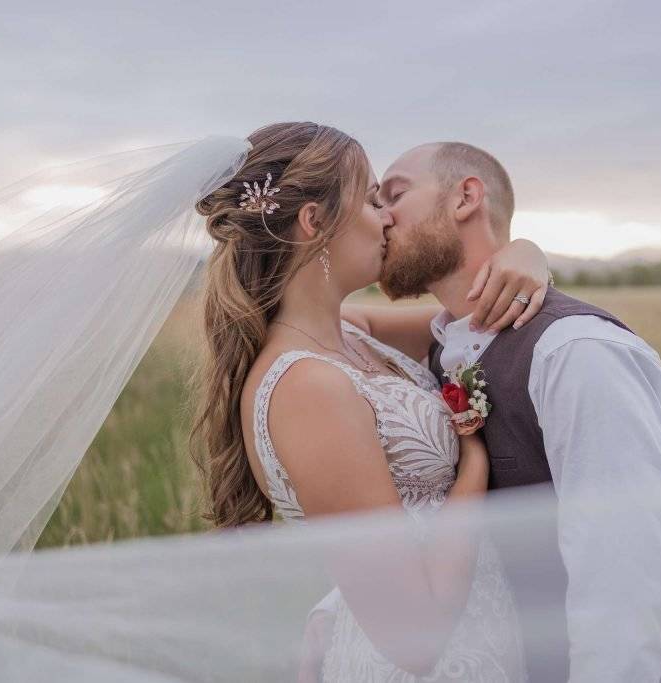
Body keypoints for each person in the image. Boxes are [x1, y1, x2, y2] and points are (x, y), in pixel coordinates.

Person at [192, 121, 553, 681]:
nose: (386, 217)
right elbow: (414, 639)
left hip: (487, 645)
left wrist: (525, 254)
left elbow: (475, 315)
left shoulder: (352, 333)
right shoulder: (307, 387)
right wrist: (472, 466)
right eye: (368, 198)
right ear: (314, 222)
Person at [371, 141, 661, 682]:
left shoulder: (577, 352)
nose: (381, 216)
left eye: (395, 195)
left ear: (465, 197)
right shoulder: (441, 342)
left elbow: (625, 577)